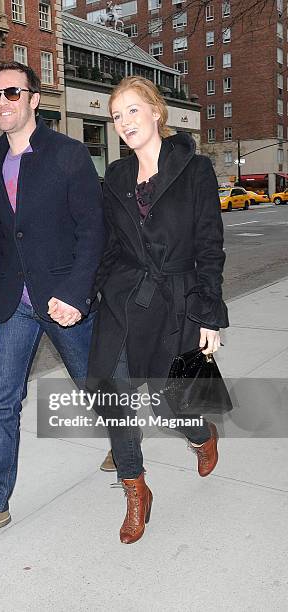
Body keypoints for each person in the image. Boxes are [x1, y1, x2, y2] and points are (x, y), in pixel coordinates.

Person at [0, 61, 105, 536]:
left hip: (63, 299)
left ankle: (124, 438)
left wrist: (76, 293)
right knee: (1, 400)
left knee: (93, 382)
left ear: (34, 99)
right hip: (16, 302)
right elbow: (7, 238)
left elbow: (92, 230)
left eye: (13, 93)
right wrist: (1, 293)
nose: (3, 103)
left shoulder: (68, 154)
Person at [87, 77, 229, 544]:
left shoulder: (195, 170)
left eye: (132, 110)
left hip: (175, 302)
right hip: (124, 301)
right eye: (116, 116)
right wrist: (84, 296)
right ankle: (135, 489)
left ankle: (199, 433)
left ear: (155, 111)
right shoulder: (116, 178)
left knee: (170, 403)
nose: (124, 122)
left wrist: (209, 313)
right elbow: (108, 247)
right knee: (115, 396)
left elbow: (210, 244)